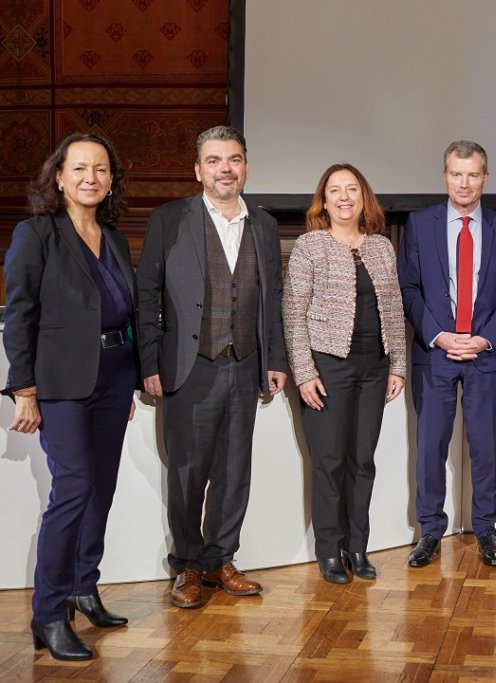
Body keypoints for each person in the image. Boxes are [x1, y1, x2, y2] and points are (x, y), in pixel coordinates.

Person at [136, 125, 288, 608]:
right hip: (188, 366)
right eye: (216, 160)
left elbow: (274, 298)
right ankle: (187, 566)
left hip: (245, 365)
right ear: (198, 169)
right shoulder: (169, 219)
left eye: (235, 159)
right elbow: (146, 295)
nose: (227, 168)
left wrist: (276, 359)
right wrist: (150, 361)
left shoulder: (263, 224)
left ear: (246, 166)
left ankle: (221, 559)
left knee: (234, 468)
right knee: (187, 471)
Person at [3, 134, 139, 660]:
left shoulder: (115, 238)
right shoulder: (36, 234)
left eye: (101, 169)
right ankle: (49, 612)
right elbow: (20, 314)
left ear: (111, 180)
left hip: (112, 377)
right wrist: (24, 390)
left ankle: (85, 585)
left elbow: (124, 317)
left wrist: (127, 382)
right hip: (59, 384)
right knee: (74, 488)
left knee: (99, 489)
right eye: (79, 168)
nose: (91, 178)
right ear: (57, 176)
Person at [397, 140, 496, 568]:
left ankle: (486, 528)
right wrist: (438, 334)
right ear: (445, 176)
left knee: (486, 446)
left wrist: (485, 338)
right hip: (435, 354)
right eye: (456, 174)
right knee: (430, 446)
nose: (464, 183)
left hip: (485, 355)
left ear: (485, 178)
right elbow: (409, 288)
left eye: (473, 174)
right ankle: (430, 529)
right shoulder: (419, 224)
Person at [283, 164, 406, 584]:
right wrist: (303, 372)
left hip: (374, 366)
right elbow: (293, 313)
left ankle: (357, 546)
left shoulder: (381, 248)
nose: (344, 197)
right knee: (330, 462)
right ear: (324, 200)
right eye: (334, 190)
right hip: (327, 367)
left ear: (363, 197)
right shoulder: (309, 246)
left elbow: (394, 310)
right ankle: (329, 551)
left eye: (351, 189)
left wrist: (398, 366)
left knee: (362, 461)